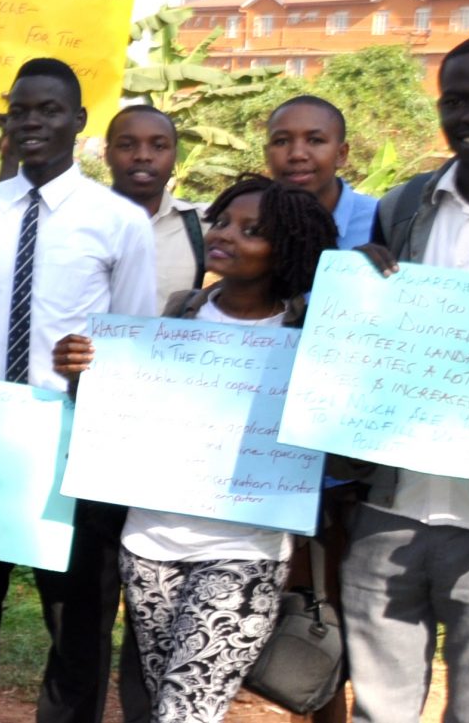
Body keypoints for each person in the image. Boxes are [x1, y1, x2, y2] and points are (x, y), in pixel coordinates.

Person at [0, 58, 157, 723]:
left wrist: (96, 364)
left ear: (78, 121)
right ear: (7, 123)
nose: (33, 122)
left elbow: (136, 343)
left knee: (75, 619)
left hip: (72, 440)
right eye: (20, 111)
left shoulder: (118, 220)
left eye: (49, 110)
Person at [53, 175, 335, 723]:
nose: (226, 234)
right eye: (225, 221)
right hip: (150, 545)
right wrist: (81, 375)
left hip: (244, 551)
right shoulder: (180, 314)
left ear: (288, 248)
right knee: (167, 701)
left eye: (252, 231)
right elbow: (122, 410)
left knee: (186, 712)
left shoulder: (307, 333)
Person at [342, 33, 469, 723]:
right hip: (391, 502)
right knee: (379, 710)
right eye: (457, 99)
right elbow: (367, 340)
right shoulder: (406, 205)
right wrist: (356, 290)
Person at [102, 105, 208, 305]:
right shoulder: (76, 221)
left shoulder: (200, 227)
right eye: (126, 145)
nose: (143, 156)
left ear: (175, 155)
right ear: (107, 154)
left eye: (158, 146)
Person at [265, 95, 382, 249]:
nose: (297, 154)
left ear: (341, 154)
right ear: (266, 155)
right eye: (281, 141)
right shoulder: (252, 219)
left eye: (315, 140)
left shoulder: (382, 222)